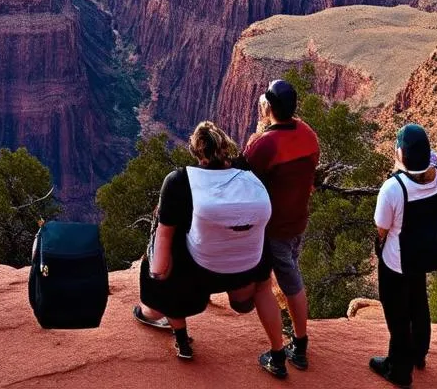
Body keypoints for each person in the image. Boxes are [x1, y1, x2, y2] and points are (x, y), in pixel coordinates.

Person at [133, 121, 289, 378]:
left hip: (200, 270)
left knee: (164, 246)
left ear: (196, 152)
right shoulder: (252, 175)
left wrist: (158, 276)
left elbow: (163, 242)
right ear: (225, 146)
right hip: (247, 271)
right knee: (263, 288)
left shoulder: (179, 181)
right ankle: (278, 356)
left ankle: (182, 340)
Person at [244, 79, 321, 371]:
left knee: (280, 283)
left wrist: (260, 128)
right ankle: (296, 340)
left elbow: (243, 176)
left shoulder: (265, 144)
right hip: (298, 220)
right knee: (289, 275)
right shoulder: (308, 135)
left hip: (273, 228)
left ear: (270, 106)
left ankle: (291, 351)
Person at [370, 124, 437, 388]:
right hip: (425, 255)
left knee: (397, 313)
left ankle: (399, 369)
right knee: (418, 301)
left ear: (401, 154)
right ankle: (419, 354)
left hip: (397, 261)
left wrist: (379, 247)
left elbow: (382, 229)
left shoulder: (393, 188)